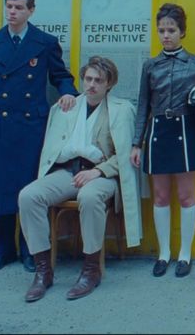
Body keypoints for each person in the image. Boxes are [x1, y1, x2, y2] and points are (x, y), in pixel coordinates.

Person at [0, 0, 77, 275]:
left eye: (18, 7)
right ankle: (1, 252)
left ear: (31, 10)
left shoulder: (44, 42)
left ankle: (32, 251)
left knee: (29, 189)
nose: (12, 12)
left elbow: (61, 75)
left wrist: (69, 92)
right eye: (9, 6)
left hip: (31, 127)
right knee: (1, 189)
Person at [18, 56, 142, 302]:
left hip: (102, 173)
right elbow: (54, 148)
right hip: (68, 171)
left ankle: (91, 269)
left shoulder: (121, 109)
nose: (92, 85)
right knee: (29, 196)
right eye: (88, 79)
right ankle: (43, 271)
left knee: (89, 196)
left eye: (99, 80)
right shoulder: (67, 106)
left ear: (109, 84)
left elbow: (126, 154)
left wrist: (97, 171)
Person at [130, 3, 195, 278]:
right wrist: (136, 143)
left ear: (182, 32)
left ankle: (185, 254)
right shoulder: (150, 66)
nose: (166, 35)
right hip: (157, 132)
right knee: (161, 196)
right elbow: (143, 106)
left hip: (185, 130)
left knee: (186, 196)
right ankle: (164, 253)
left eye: (171, 30)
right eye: (161, 30)